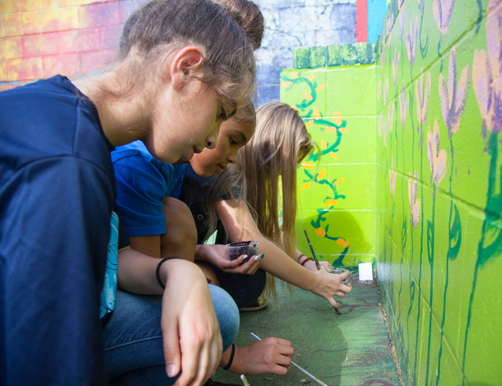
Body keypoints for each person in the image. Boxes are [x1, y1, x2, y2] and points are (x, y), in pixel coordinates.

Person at [0, 0, 255, 385]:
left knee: (210, 311)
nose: (208, 139)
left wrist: (178, 269)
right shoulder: (68, 163)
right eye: (220, 113)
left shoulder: (64, 113)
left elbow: (107, 263)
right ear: (186, 69)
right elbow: (45, 359)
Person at [178, 102, 353, 376]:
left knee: (251, 278)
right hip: (166, 270)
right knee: (242, 285)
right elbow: (250, 236)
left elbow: (265, 234)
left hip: (174, 263)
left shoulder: (233, 171)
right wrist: (315, 282)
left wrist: (306, 262)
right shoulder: (223, 170)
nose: (282, 176)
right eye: (284, 168)